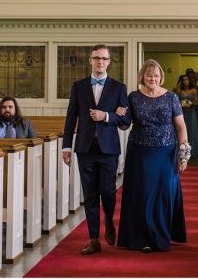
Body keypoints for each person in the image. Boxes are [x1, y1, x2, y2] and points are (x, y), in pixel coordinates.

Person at [61, 44, 131, 255]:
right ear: (90, 61)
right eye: (96, 58)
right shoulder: (78, 86)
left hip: (109, 149)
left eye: (104, 58)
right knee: (90, 194)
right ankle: (93, 239)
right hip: (85, 148)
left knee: (108, 191)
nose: (100, 61)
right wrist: (66, 146)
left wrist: (107, 116)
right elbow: (71, 118)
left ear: (109, 62)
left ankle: (109, 219)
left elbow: (126, 121)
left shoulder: (119, 88)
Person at [117, 59, 188, 253]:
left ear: (161, 77)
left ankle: (160, 236)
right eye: (149, 75)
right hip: (139, 153)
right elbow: (124, 125)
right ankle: (142, 238)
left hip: (166, 153)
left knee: (163, 194)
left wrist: (183, 155)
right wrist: (119, 114)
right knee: (142, 195)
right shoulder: (133, 97)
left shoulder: (171, 97)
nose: (152, 79)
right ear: (142, 77)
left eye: (156, 75)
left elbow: (181, 127)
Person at [174, 74, 198, 159]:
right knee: (181, 130)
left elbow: (196, 102)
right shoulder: (179, 90)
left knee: (191, 130)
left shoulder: (193, 90)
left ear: (189, 81)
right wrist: (182, 104)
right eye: (184, 80)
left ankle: (192, 152)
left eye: (187, 80)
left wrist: (191, 104)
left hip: (191, 113)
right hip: (181, 113)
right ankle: (181, 152)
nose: (185, 81)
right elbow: (176, 101)